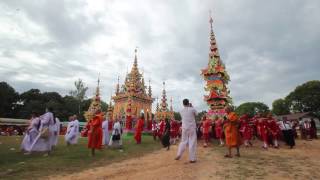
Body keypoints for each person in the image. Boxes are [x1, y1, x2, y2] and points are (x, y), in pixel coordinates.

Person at [175, 99, 197, 163]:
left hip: (184, 128)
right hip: (192, 127)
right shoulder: (192, 109)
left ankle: (179, 154)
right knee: (192, 142)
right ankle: (192, 159)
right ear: (188, 103)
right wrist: (192, 106)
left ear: (183, 104)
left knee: (183, 141)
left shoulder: (181, 111)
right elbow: (196, 114)